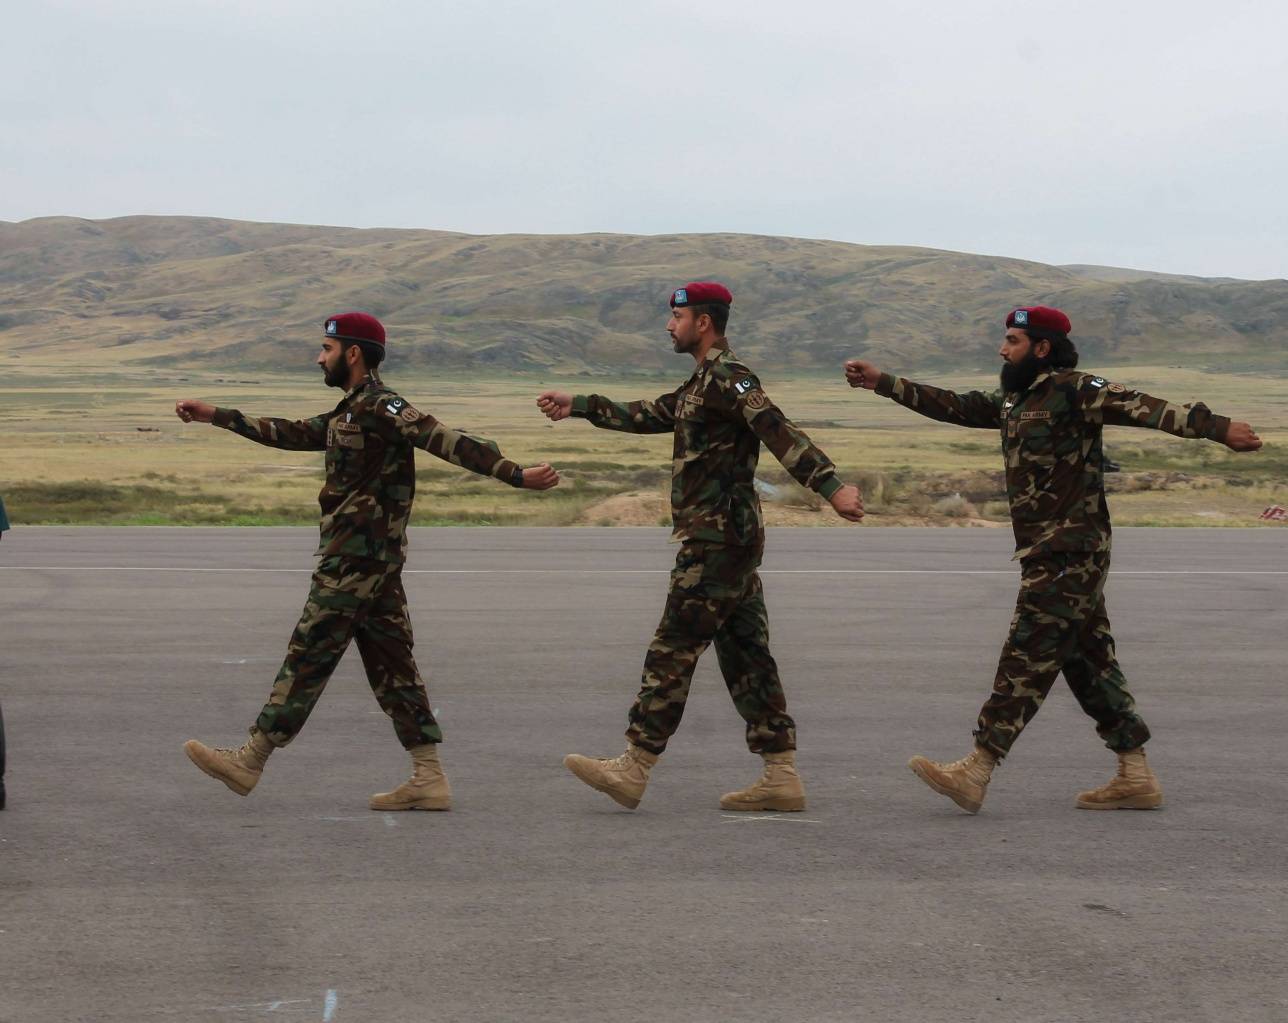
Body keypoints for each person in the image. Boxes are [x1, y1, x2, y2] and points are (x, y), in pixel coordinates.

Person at [844, 305, 1262, 814]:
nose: (1003, 349)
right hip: (1046, 549)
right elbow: (951, 404)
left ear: (1042, 347)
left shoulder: (1076, 389)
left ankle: (977, 767)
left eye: (1013, 340)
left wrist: (1216, 428)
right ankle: (1135, 774)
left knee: (1027, 652)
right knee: (1088, 662)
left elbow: (1141, 406)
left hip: (1072, 549)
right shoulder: (1015, 399)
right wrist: (883, 381)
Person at [175, 311, 559, 809]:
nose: (320, 357)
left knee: (309, 652)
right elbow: (289, 432)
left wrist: (514, 474)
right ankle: (428, 776)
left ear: (352, 353)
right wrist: (216, 415)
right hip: (370, 562)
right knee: (392, 665)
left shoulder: (383, 406)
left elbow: (444, 438)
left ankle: (250, 760)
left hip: (357, 559)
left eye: (327, 349)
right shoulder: (349, 412)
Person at [538, 282, 864, 812]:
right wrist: (580, 405)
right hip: (727, 540)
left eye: (678, 316)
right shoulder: (701, 384)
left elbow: (777, 429)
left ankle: (634, 766)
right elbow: (651, 413)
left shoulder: (731, 379)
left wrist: (830, 487)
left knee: (672, 648)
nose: (670, 325)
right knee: (747, 657)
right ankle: (780, 773)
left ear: (704, 323)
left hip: (717, 541)